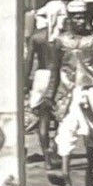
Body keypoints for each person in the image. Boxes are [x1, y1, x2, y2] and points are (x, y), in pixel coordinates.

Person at [48, 1, 93, 186]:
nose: (79, 20)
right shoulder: (61, 41)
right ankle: (65, 173)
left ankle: (89, 171)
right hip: (68, 93)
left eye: (82, 16)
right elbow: (55, 69)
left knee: (90, 133)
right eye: (75, 17)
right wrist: (49, 95)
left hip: (91, 91)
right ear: (69, 19)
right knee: (67, 130)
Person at [23, 10, 60, 164]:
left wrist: (25, 83)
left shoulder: (36, 37)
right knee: (62, 118)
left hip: (41, 76)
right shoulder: (63, 36)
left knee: (42, 119)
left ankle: (46, 155)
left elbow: (29, 62)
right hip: (60, 76)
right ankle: (55, 146)